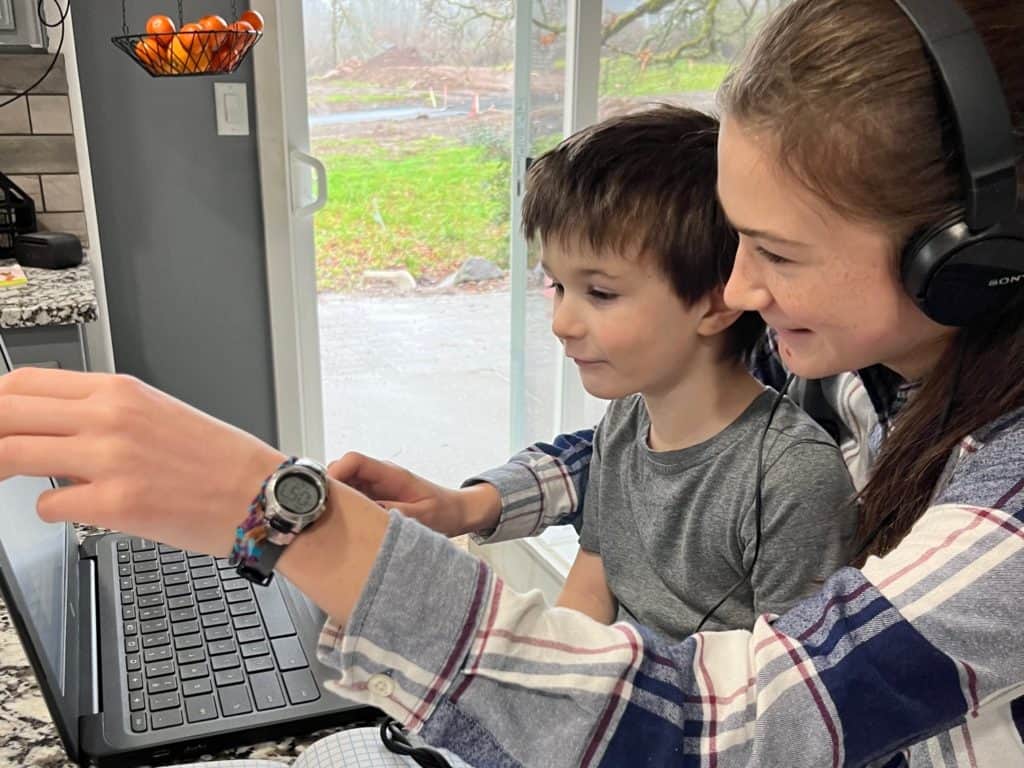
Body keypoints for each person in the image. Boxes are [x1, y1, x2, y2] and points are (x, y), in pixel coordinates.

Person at [0, 0, 1021, 766]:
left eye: (778, 253)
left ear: (972, 254)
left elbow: (754, 726)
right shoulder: (861, 360)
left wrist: (284, 517)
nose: (742, 289)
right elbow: (642, 438)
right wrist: (470, 505)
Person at [340, 105, 857, 640]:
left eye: (601, 293)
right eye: (558, 287)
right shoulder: (626, 423)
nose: (562, 322)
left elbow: (793, 687)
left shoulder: (791, 478)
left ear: (714, 303)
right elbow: (591, 585)